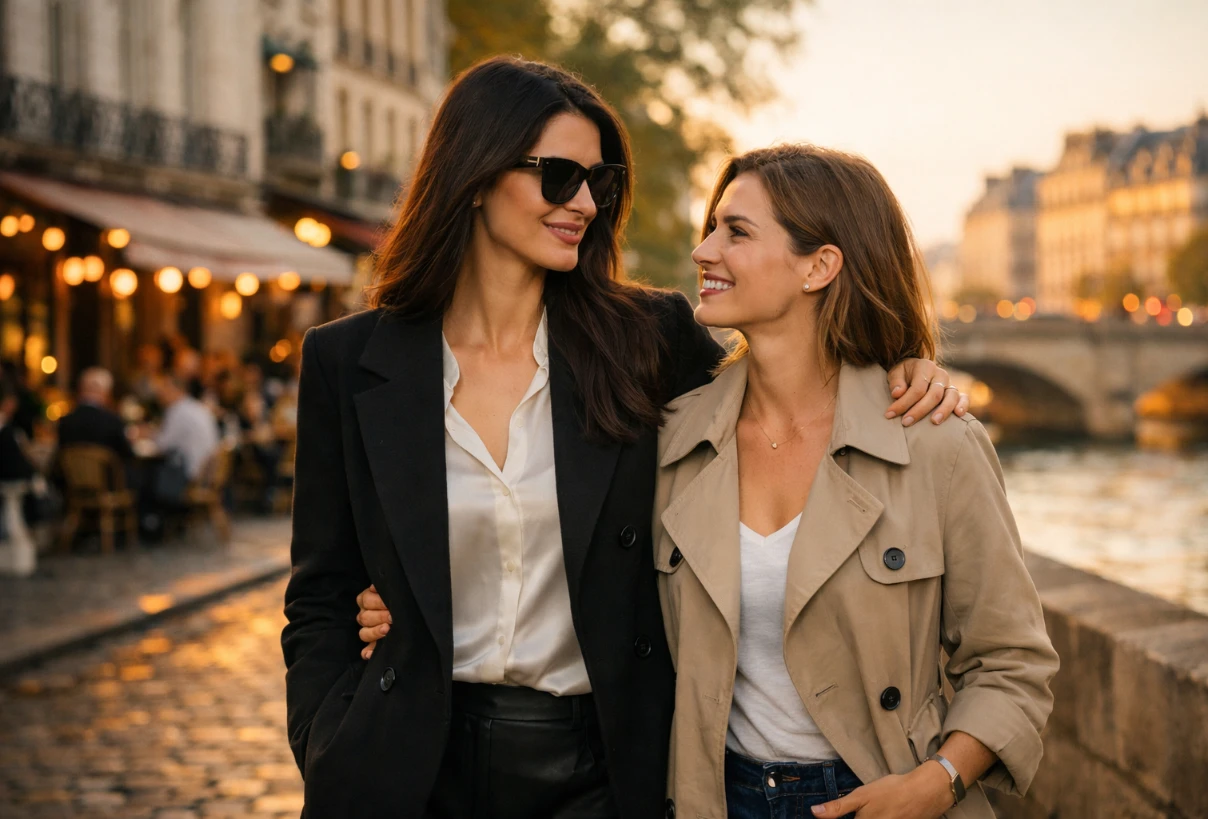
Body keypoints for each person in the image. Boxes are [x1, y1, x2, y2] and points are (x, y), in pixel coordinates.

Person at [287, 56, 965, 819]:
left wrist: (900, 367)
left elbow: (789, 391)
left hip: (600, 769)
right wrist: (323, 738)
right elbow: (318, 592)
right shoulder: (348, 361)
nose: (582, 201)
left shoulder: (650, 339)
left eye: (598, 182)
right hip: (406, 763)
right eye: (556, 176)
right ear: (474, 175)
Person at [648, 145, 1056, 818]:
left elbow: (1013, 662)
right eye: (711, 227)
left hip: (887, 793)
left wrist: (936, 783)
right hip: (714, 798)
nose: (703, 250)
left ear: (820, 265)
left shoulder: (937, 446)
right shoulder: (674, 440)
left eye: (737, 231)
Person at [151, 374, 219, 483]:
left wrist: (149, 435)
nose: (160, 394)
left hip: (193, 475)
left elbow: (162, 445)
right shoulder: (196, 406)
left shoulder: (177, 410)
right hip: (209, 473)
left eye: (164, 388)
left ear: (174, 389)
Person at [57, 368, 134, 462]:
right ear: (105, 392)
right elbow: (128, 455)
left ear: (80, 390)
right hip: (106, 476)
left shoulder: (65, 421)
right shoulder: (112, 422)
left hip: (72, 476)